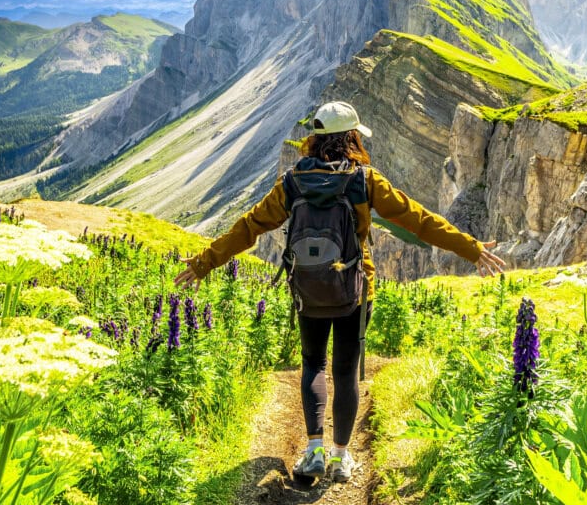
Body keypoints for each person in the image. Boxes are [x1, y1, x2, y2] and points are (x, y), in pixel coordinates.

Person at [174, 100, 505, 483]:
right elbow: (417, 220)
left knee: (313, 363)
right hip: (355, 289)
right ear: (352, 138)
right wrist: (471, 247)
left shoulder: (292, 182)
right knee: (345, 371)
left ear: (314, 140)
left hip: (308, 289)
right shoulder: (364, 180)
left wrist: (203, 263)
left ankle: (313, 450)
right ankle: (341, 457)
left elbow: (249, 227)